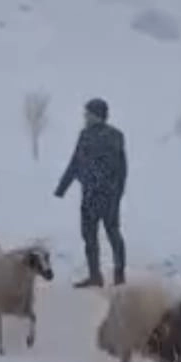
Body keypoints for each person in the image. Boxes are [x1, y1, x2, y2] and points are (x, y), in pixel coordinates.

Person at [54, 97, 128, 287]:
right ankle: (107, 276)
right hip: (101, 195)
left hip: (99, 195)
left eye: (88, 114)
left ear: (97, 115)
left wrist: (62, 188)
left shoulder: (100, 136)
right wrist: (62, 187)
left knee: (103, 236)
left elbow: (119, 168)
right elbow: (77, 163)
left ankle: (108, 276)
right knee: (100, 236)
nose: (85, 117)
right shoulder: (107, 135)